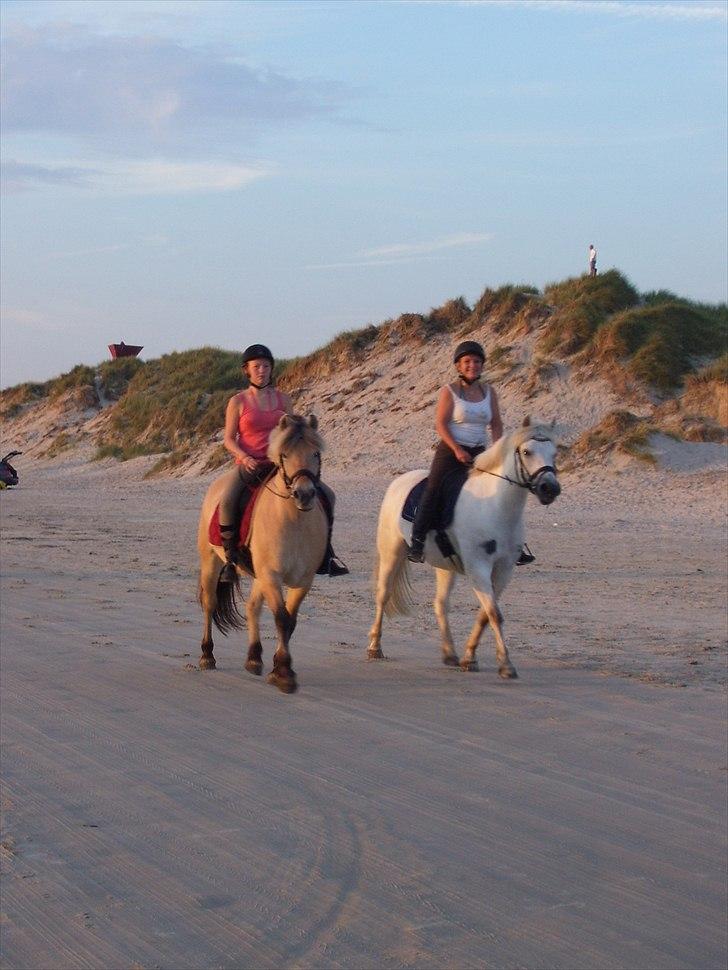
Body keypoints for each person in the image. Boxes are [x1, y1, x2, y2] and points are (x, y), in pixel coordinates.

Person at [217, 343, 348, 582]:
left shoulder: (283, 400)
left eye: (266, 366)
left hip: (280, 465)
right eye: (256, 366)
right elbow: (228, 439)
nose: (262, 370)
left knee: (328, 495)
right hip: (249, 464)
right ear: (246, 370)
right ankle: (229, 559)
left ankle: (326, 554)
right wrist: (245, 458)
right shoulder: (237, 402)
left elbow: (294, 433)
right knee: (227, 501)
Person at [407, 340, 534, 565]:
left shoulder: (489, 392)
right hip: (450, 451)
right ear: (458, 365)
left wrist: (498, 450)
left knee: (504, 489)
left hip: (480, 452)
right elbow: (441, 424)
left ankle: (514, 543)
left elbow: (496, 423)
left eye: (476, 361)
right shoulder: (450, 392)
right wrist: (456, 449)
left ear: (482, 365)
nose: (472, 365)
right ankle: (417, 540)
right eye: (467, 361)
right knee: (434, 488)